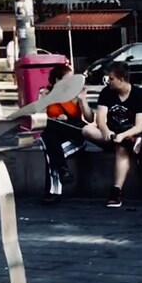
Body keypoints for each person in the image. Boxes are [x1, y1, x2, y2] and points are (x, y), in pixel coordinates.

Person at [83, 62, 142, 208]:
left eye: (111, 78)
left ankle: (116, 191)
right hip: (112, 133)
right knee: (87, 130)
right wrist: (106, 130)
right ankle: (128, 142)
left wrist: (122, 135)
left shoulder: (140, 94)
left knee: (121, 147)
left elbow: (140, 126)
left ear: (121, 79)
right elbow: (100, 118)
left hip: (133, 132)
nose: (108, 81)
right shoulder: (107, 92)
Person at [41, 64, 93, 204]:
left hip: (75, 135)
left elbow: (90, 119)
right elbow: (39, 117)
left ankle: (52, 192)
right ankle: (63, 172)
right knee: (51, 142)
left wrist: (82, 100)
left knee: (50, 138)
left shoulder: (76, 95)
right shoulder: (47, 94)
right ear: (58, 81)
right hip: (57, 139)